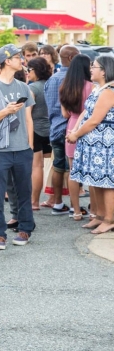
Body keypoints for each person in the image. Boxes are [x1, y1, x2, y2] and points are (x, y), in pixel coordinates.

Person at [0, 44, 35, 249]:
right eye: (18, 57)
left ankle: (25, 229)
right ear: (7, 61)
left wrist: (30, 146)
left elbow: (28, 119)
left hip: (22, 149)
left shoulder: (24, 87)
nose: (22, 60)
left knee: (24, 191)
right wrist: (6, 111)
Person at [68, 55, 114, 234]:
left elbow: (95, 120)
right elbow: (86, 112)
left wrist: (76, 133)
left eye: (94, 67)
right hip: (93, 143)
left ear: (104, 71)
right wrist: (75, 130)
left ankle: (110, 218)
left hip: (104, 144)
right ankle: (100, 215)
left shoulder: (109, 91)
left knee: (107, 181)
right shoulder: (98, 89)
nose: (91, 70)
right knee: (96, 180)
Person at [44, 45, 80, 214]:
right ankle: (75, 206)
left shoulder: (52, 79)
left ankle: (57, 203)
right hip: (71, 130)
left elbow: (48, 106)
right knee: (74, 168)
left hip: (55, 127)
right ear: (72, 58)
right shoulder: (76, 79)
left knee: (58, 167)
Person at [60, 54, 93, 220]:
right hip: (89, 128)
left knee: (73, 171)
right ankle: (95, 209)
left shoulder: (64, 87)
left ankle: (76, 210)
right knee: (93, 171)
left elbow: (64, 114)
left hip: (71, 126)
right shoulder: (91, 86)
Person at [26, 57, 53, 211]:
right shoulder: (51, 85)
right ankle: (54, 199)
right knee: (53, 166)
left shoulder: (32, 88)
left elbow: (27, 114)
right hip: (50, 129)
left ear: (35, 70)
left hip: (35, 130)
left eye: (29, 70)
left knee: (37, 166)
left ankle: (34, 202)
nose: (27, 73)